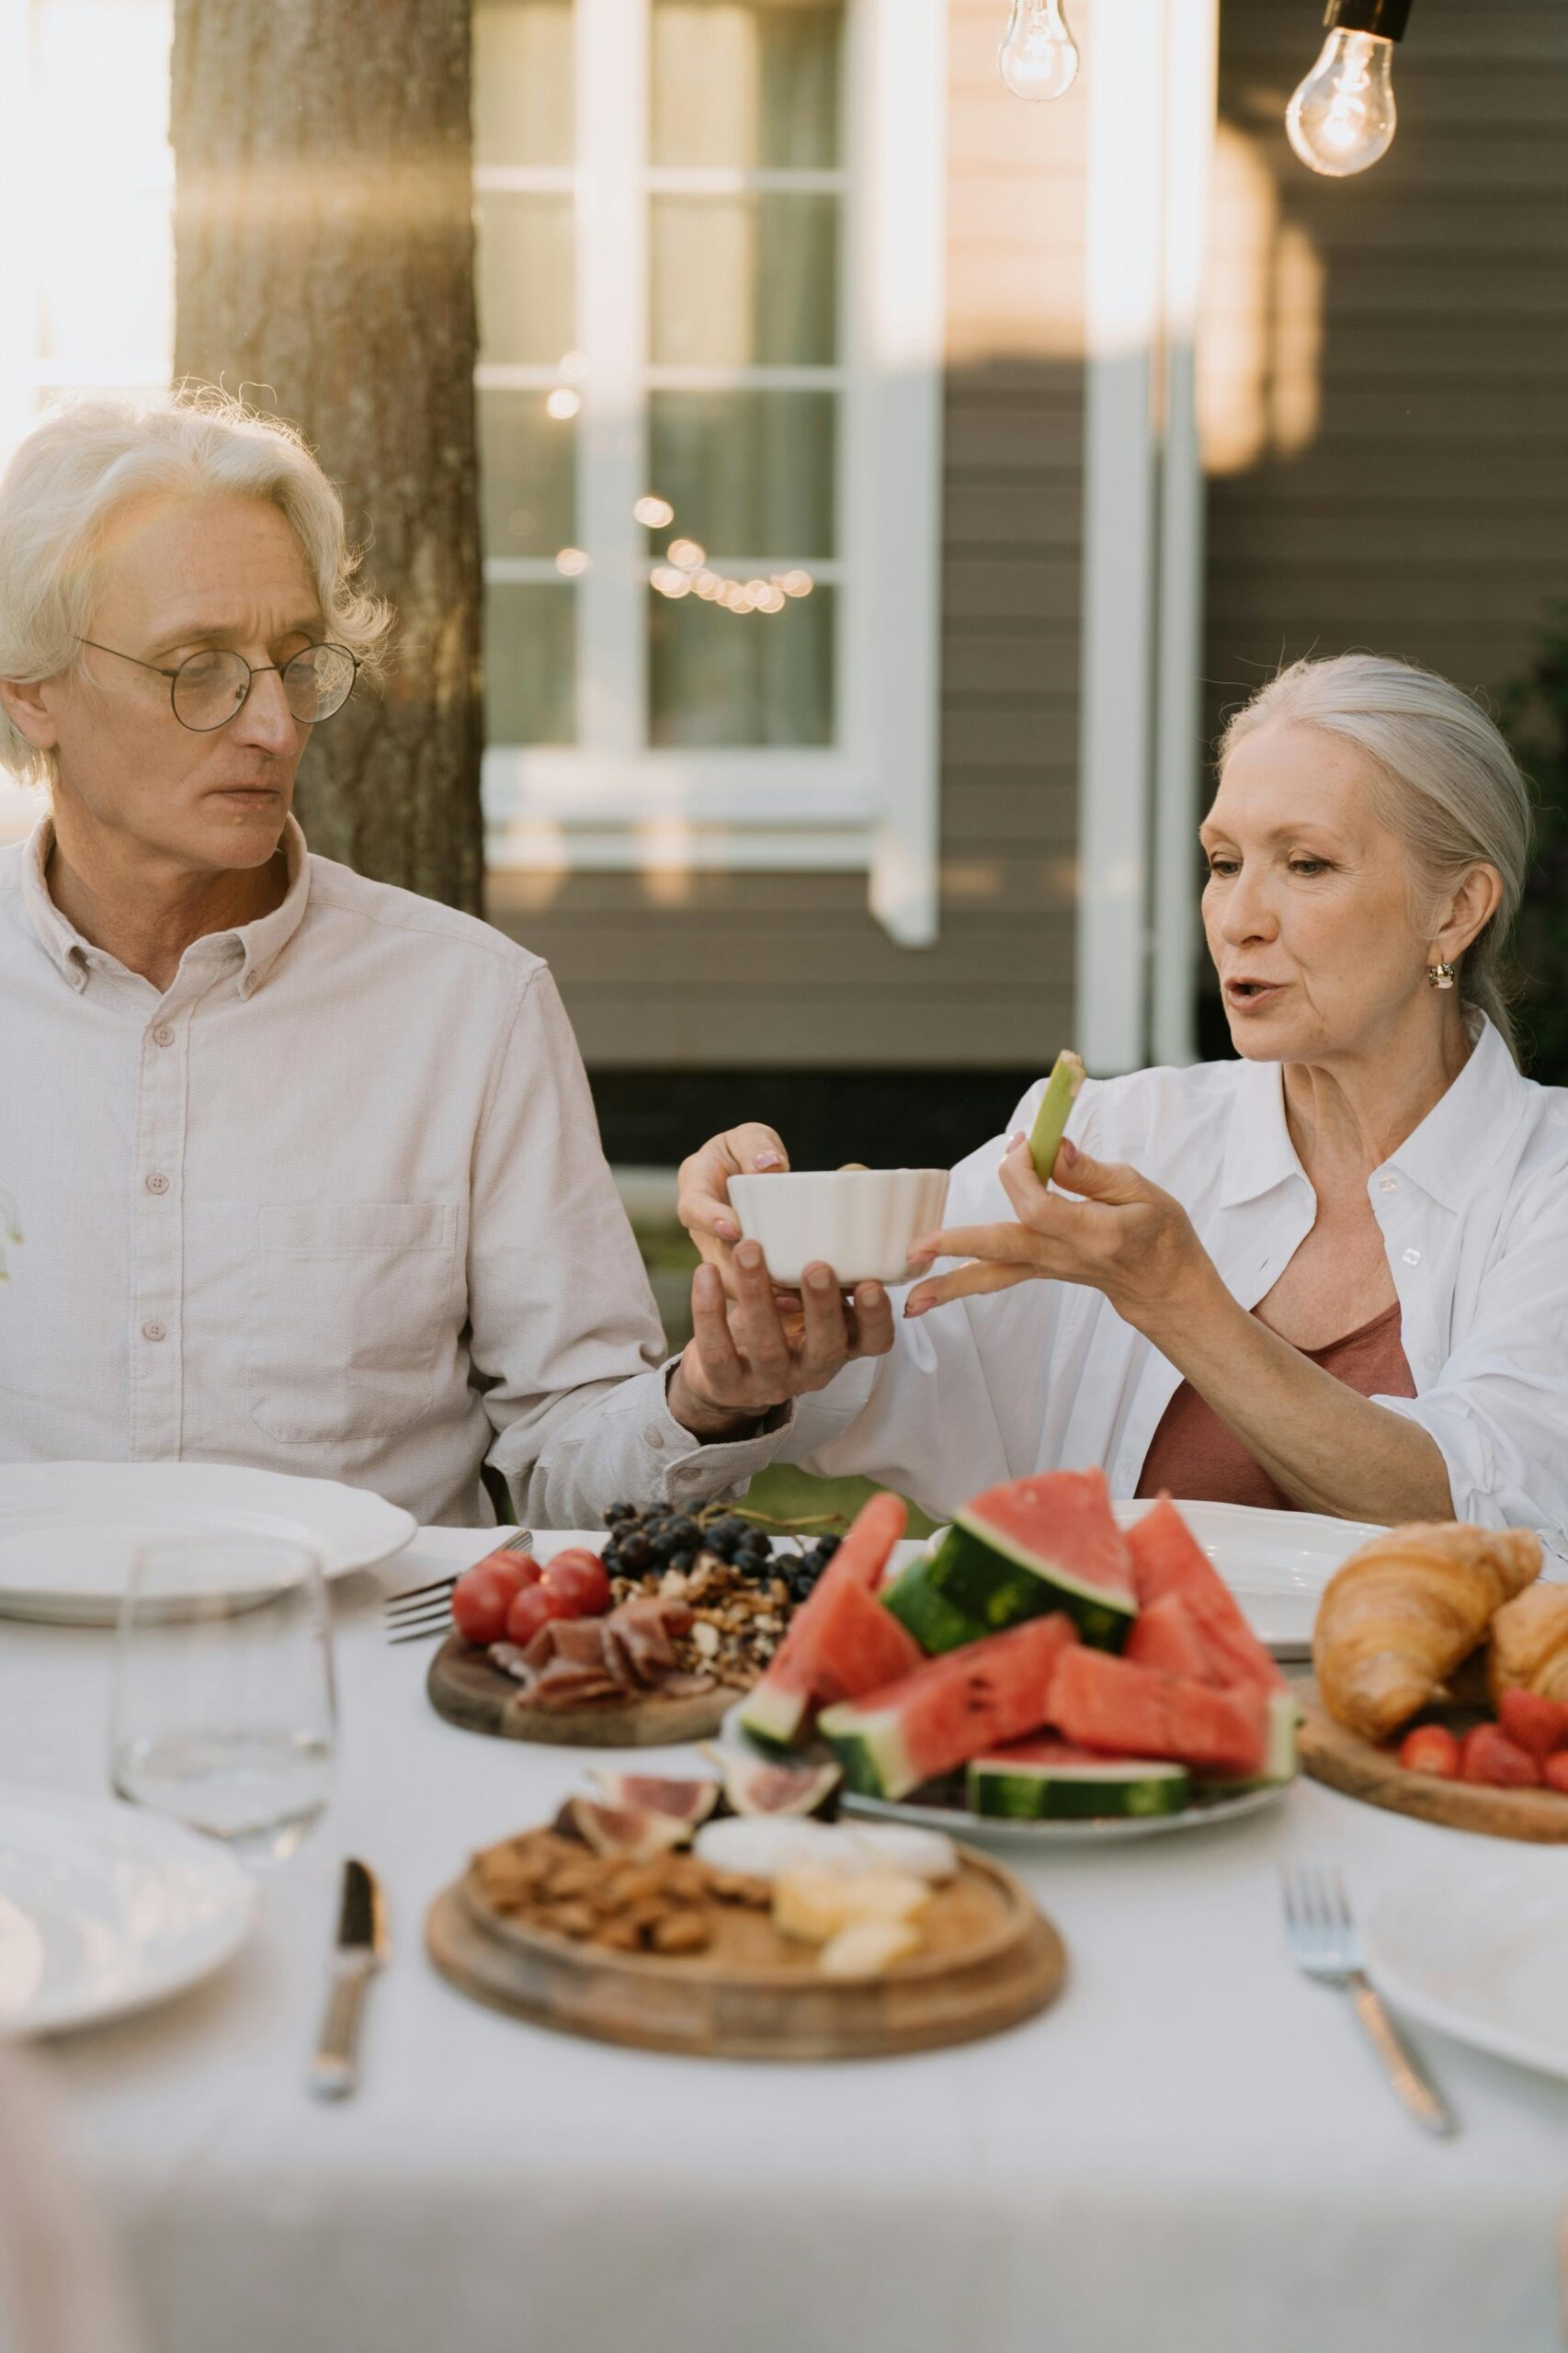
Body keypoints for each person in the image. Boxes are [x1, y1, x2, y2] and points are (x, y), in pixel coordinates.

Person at [0, 390, 871, 1527]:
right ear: (32, 694)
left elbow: (564, 1447)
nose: (272, 725)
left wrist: (705, 1398)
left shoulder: (470, 1008)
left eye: (295, 662)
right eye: (198, 667)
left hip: (372, 1686)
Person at [676, 654, 1568, 1555]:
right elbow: (888, 1366)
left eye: (1304, 863)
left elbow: (1498, 1515)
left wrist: (1177, 1300)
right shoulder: (1113, 1134)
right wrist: (769, 1317)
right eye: (1221, 863)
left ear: (1454, 910)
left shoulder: (1549, 1184)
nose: (1235, 917)